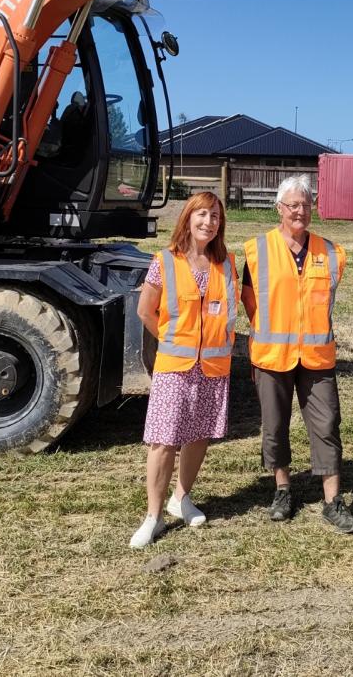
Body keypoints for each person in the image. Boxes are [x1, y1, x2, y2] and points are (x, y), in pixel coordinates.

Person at [242, 175, 353, 534]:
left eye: (306, 204)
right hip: (272, 357)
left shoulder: (331, 252)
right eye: (292, 204)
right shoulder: (255, 250)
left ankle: (332, 501)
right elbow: (250, 304)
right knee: (275, 427)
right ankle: (282, 490)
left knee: (326, 426)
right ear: (278, 208)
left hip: (317, 358)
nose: (300, 211)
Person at [130, 191, 239, 548]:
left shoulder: (226, 264)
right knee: (163, 441)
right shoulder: (164, 261)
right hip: (175, 366)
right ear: (188, 218)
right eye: (202, 215)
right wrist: (171, 339)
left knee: (198, 435)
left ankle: (182, 497)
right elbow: (146, 311)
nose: (209, 222)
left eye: (215, 217)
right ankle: (154, 515)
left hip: (212, 367)